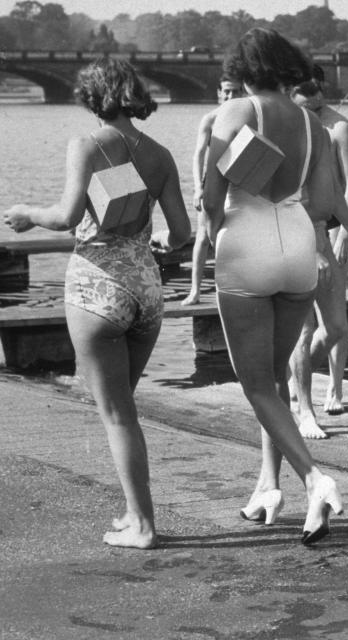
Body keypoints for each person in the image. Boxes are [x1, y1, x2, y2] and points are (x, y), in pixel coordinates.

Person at [3, 58, 192, 548]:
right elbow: (183, 234)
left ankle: (145, 526)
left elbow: (67, 216)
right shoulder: (162, 155)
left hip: (98, 286)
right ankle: (134, 515)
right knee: (122, 410)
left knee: (116, 415)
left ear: (91, 98)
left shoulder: (87, 145)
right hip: (148, 290)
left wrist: (25, 212)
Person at [202, 28, 348, 545]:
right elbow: (326, 201)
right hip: (299, 244)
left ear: (242, 69)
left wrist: (210, 235)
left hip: (248, 240)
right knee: (275, 381)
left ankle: (315, 479)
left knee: (257, 384)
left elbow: (211, 196)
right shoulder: (315, 125)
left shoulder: (237, 112)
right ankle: (268, 487)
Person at [288, 69, 348, 436]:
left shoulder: (326, 133)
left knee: (336, 326)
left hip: (323, 231)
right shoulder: (284, 137)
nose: (315, 112)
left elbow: (337, 190)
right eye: (307, 106)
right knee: (303, 329)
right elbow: (274, 201)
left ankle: (297, 378)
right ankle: (305, 410)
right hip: (293, 236)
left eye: (318, 106)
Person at [181, 74, 244, 306]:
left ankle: (233, 289)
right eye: (226, 91)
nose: (231, 96)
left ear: (243, 92)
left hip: (240, 184)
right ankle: (195, 291)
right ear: (219, 93)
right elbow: (198, 155)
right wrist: (198, 188)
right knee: (203, 237)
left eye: (236, 91)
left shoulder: (248, 118)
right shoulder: (210, 119)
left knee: (237, 237)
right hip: (213, 182)